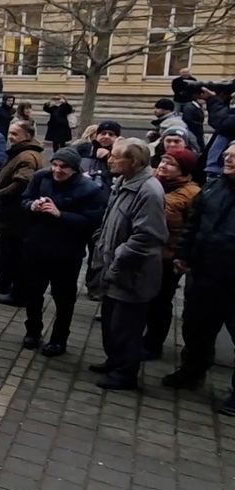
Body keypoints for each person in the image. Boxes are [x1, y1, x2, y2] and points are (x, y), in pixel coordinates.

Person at [87, 138, 167, 390]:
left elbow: (147, 237)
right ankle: (115, 361)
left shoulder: (149, 191)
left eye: (116, 156)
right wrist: (100, 241)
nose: (109, 159)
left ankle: (125, 373)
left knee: (126, 327)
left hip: (132, 274)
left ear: (133, 162)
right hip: (113, 268)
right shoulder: (123, 182)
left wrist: (118, 260)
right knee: (111, 322)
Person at [162, 144, 235, 413]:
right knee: (196, 327)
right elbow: (193, 223)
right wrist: (183, 254)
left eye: (234, 157)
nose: (227, 159)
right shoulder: (214, 187)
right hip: (204, 273)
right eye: (226, 155)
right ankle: (192, 371)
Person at [20, 147, 107, 355]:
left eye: (64, 167)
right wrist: (32, 205)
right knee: (33, 293)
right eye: (55, 165)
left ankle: (59, 339)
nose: (58, 170)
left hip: (67, 252)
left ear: (75, 169)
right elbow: (24, 199)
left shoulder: (89, 189)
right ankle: (32, 330)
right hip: (37, 246)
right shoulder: (41, 178)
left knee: (64, 299)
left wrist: (61, 215)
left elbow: (92, 222)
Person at [142, 148, 200, 360]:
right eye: (163, 161)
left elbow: (192, 228)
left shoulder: (192, 193)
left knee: (160, 301)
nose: (163, 166)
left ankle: (153, 343)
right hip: (146, 251)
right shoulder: (153, 182)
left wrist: (183, 255)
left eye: (171, 164)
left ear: (183, 170)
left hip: (168, 256)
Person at [0, 121, 46, 303]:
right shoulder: (19, 152)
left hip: (17, 213)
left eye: (15, 134)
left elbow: (21, 183)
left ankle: (18, 293)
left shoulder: (27, 156)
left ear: (27, 136)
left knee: (15, 252)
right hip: (11, 212)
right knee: (7, 249)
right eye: (10, 132)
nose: (11, 137)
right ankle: (3, 282)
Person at [80, 120, 121, 190]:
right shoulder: (83, 148)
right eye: (103, 133)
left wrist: (108, 157)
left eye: (111, 134)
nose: (106, 136)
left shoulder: (121, 154)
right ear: (97, 135)